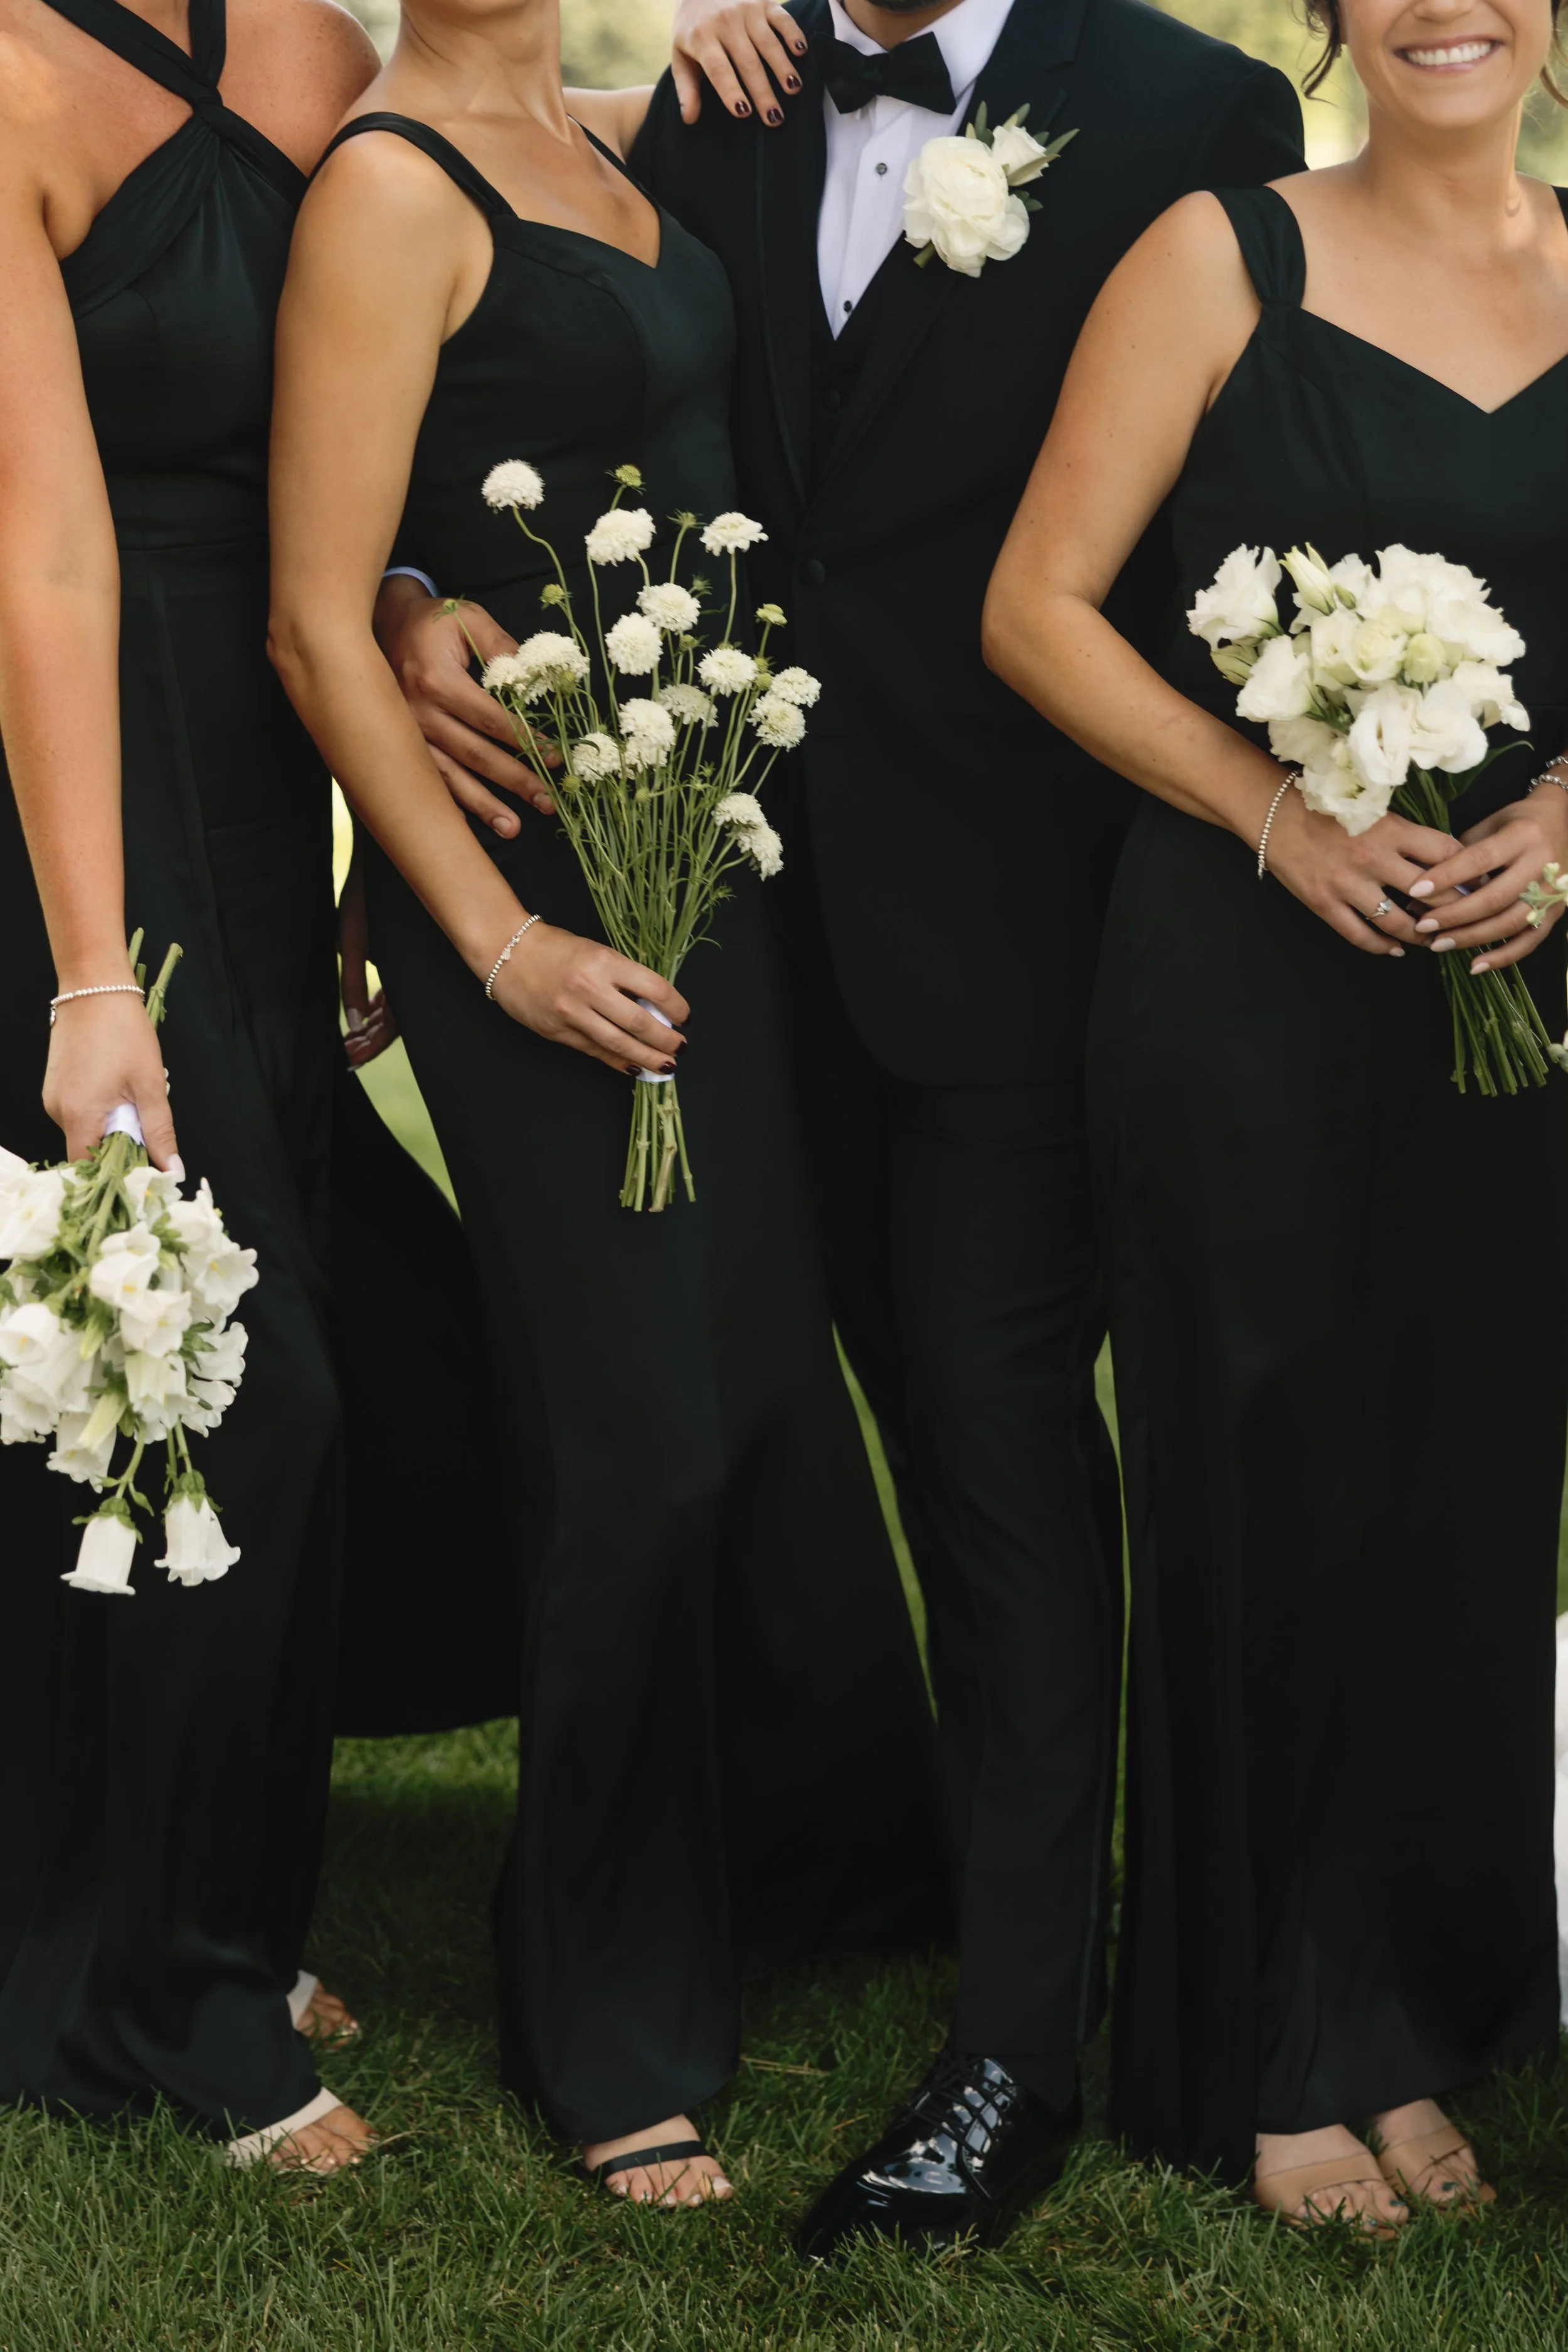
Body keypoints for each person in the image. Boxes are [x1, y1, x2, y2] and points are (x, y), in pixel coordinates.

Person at [373, 0, 1305, 2256]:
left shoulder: (1194, 109)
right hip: (710, 918)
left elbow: (1252, 521)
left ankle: (1012, 2046)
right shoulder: (720, 101)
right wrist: (412, 604)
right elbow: (534, 376)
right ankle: (797, 1868)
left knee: (995, 1466)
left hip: (1011, 935)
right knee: (721, 1420)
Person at [266, 0, 948, 2213]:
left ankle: (815, 1866)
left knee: (746, 1383)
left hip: (700, 848)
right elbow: (308, 618)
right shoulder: (386, 186)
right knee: (630, 1431)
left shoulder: (614, 138)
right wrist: (485, 938)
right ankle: (604, 2006)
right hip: (534, 894)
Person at [985, 0, 1568, 2237]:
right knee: (1267, 1482)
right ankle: (1267, 2035)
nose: (1451, 6)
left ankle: (1411, 1997)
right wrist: (1272, 813)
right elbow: (1031, 608)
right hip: (1242, 979)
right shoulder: (1221, 257)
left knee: (1464, 1476)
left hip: (1509, 990)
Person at [0, 0, 388, 2172]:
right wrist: (82, 971)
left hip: (257, 777)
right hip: (68, 789)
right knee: (223, 1367)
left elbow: (381, 412)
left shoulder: (317, 56)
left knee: (267, 1333)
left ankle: (212, 1896)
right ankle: (164, 1987)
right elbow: (37, 552)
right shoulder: (4, 87)